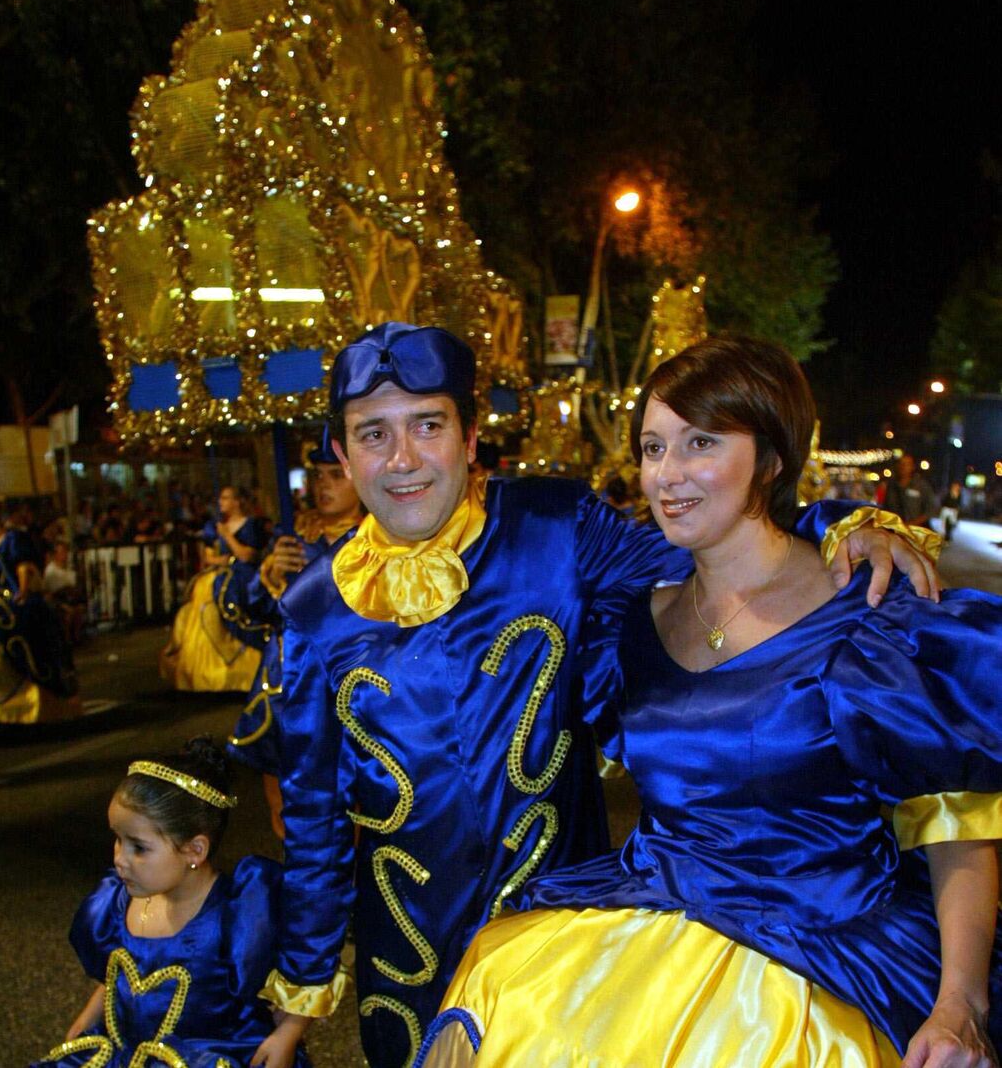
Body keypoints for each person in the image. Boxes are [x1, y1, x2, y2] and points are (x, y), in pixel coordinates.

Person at [260, 323, 938, 1068]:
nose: (403, 459)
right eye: (372, 434)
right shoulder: (311, 615)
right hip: (404, 965)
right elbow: (314, 829)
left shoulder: (555, 528)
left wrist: (847, 527)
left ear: (470, 435)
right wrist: (301, 994)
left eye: (428, 425)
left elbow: (718, 545)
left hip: (569, 953)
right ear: (340, 451)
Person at [420, 336, 1000, 1067]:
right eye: (653, 447)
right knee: (503, 1003)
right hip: (654, 930)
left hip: (825, 960)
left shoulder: (871, 615)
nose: (668, 474)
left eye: (702, 442)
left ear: (773, 456)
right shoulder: (627, 619)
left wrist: (960, 1003)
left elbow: (954, 821)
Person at [30, 738, 309, 1068]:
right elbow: (115, 977)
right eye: (118, 840)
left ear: (194, 850)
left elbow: (308, 967)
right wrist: (90, 1016)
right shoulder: (118, 902)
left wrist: (287, 1034)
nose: (120, 859)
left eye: (139, 847)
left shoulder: (239, 913)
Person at [228, 438, 364, 838]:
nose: (323, 485)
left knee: (356, 810)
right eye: (317, 476)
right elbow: (251, 617)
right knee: (286, 809)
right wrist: (267, 578)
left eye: (335, 476)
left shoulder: (380, 539)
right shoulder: (291, 540)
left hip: (349, 687)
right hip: (286, 688)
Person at [0, 493, 79, 723]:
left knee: (11, 623)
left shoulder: (13, 538)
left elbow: (23, 566)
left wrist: (22, 589)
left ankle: (34, 697)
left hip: (8, 594)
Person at [160, 485, 270, 692]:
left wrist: (228, 537)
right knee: (202, 595)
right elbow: (208, 557)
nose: (221, 502)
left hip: (243, 576)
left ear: (237, 501)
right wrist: (225, 559)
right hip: (219, 574)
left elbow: (247, 556)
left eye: (226, 498)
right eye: (220, 498)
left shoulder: (251, 525)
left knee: (231, 598)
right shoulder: (215, 525)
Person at [878, 453, 937, 527]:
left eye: (907, 464)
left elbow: (930, 509)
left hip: (915, 531)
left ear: (912, 467)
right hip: (894, 529)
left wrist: (912, 524)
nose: (903, 467)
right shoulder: (891, 486)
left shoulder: (921, 486)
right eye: (901, 463)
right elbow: (885, 508)